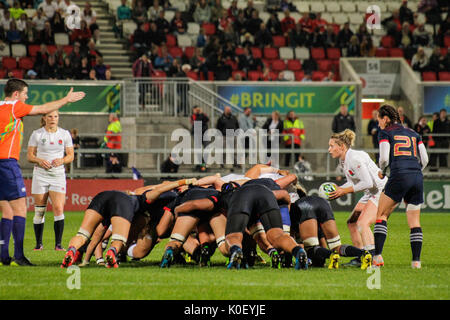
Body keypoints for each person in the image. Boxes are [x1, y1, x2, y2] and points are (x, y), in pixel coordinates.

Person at [0, 79, 85, 266]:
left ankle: (3, 255)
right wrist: (66, 99)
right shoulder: (14, 107)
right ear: (16, 95)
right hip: (6, 163)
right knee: (20, 208)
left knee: (6, 209)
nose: (26, 97)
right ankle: (19, 256)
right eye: (24, 94)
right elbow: (42, 108)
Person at [60, 178, 197, 268]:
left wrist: (88, 261)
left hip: (101, 197)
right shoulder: (143, 202)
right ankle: (114, 252)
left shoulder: (142, 199)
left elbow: (98, 236)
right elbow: (159, 190)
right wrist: (183, 182)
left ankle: (72, 251)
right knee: (120, 239)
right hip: (125, 204)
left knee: (83, 234)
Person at [373, 104, 429, 269]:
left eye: (379, 120)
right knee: (414, 222)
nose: (378, 124)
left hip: (399, 174)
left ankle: (377, 257)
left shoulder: (385, 133)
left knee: (381, 215)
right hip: (417, 176)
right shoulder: (414, 133)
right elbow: (424, 159)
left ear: (386, 119)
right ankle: (416, 262)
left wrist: (382, 171)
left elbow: (383, 158)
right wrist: (414, 170)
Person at [327, 129, 387, 269]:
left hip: (381, 191)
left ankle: (373, 258)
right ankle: (362, 256)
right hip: (371, 192)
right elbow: (354, 182)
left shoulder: (354, 158)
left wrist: (343, 191)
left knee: (362, 223)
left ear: (342, 146)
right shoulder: (344, 160)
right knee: (352, 222)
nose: (329, 150)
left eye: (331, 146)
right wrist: (340, 188)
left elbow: (368, 182)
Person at [27, 111, 74, 251]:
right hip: (40, 175)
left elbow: (71, 155)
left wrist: (62, 160)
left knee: (58, 208)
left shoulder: (64, 134)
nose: (53, 119)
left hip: (57, 175)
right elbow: (29, 156)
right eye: (50, 116)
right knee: (39, 210)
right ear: (44, 118)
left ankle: (58, 245)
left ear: (58, 118)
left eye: (56, 116)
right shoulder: (37, 134)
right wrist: (39, 160)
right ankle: (38, 244)